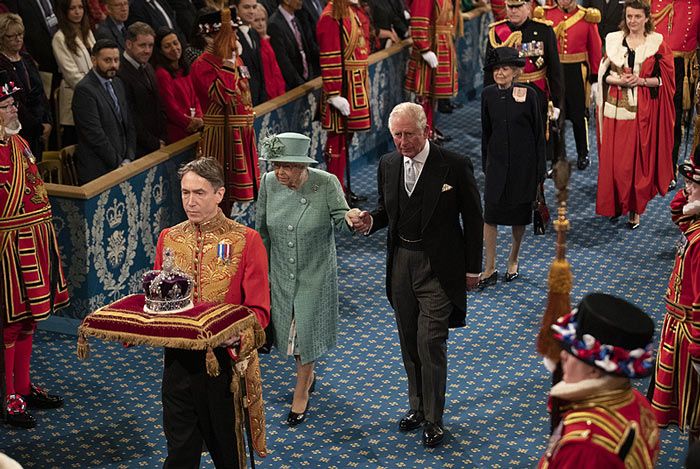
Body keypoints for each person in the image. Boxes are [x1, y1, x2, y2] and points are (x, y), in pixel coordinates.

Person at [349, 102, 483, 448]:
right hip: (400, 264)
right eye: (397, 135)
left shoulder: (453, 165)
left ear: (425, 130)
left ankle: (434, 418)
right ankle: (418, 408)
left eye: (409, 134)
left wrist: (472, 268)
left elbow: (473, 218)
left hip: (438, 267)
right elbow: (385, 211)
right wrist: (370, 222)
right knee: (409, 341)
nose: (403, 142)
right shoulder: (388, 163)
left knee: (430, 342)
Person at [153, 157, 270, 467]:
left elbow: (259, 312)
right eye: (185, 193)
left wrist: (237, 336)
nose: (190, 202)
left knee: (228, 455)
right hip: (177, 363)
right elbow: (157, 298)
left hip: (224, 369)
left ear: (219, 194)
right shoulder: (169, 238)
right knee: (179, 454)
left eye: (199, 193)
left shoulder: (247, 240)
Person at [256, 132, 359, 426]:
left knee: (303, 337)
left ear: (302, 166)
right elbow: (261, 231)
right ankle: (307, 376)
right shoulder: (268, 184)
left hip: (315, 273)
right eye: (275, 164)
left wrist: (353, 219)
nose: (279, 172)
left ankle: (301, 389)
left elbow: (341, 219)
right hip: (280, 275)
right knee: (286, 335)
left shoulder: (326, 183)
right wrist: (262, 275)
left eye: (286, 166)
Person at [0, 73, 69, 429]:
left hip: (33, 240)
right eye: (8, 105)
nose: (14, 109)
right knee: (8, 326)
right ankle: (7, 396)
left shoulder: (20, 142)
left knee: (28, 320)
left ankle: (24, 388)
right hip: (6, 248)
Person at [539, 293, 659, 467]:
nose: (563, 355)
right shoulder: (637, 401)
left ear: (595, 369)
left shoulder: (585, 446)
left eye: (573, 353)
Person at [594, 0, 675, 229]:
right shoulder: (614, 40)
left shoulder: (657, 44)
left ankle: (633, 209)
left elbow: (664, 81)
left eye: (637, 17)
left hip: (641, 112)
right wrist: (619, 80)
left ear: (646, 18)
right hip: (614, 109)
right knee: (614, 162)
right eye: (629, 16)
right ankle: (615, 205)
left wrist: (639, 81)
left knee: (631, 164)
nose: (633, 21)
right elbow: (603, 75)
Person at [479, 47, 545, 289]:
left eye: (505, 68)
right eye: (496, 69)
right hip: (496, 164)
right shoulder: (487, 95)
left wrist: (539, 170)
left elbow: (539, 135)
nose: (500, 73)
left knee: (519, 215)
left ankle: (513, 260)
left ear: (516, 71)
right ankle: (489, 266)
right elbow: (486, 132)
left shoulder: (530, 95)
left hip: (523, 166)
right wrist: (487, 161)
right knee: (491, 215)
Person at [648, 147, 700, 443]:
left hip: (690, 334)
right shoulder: (694, 221)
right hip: (676, 328)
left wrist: (696, 352)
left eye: (694, 184)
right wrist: (694, 198)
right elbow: (676, 210)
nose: (687, 188)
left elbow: (699, 301)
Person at [191, 8, 260, 223]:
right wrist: (229, 65)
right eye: (230, 34)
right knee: (220, 192)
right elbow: (221, 96)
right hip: (220, 137)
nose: (235, 38)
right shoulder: (202, 64)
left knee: (234, 194)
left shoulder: (234, 58)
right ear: (212, 36)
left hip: (241, 131)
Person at [485, 0, 564, 170]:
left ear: (529, 7)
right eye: (510, 7)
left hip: (536, 93)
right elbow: (489, 72)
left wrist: (557, 103)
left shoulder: (544, 30)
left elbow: (555, 70)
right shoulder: (496, 32)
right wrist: (489, 101)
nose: (513, 11)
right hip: (505, 93)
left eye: (518, 6)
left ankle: (537, 187)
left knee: (536, 142)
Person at [316, 0, 371, 202]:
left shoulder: (349, 11)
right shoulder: (331, 16)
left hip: (355, 83)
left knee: (345, 140)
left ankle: (341, 187)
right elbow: (329, 55)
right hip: (342, 86)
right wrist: (333, 93)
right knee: (336, 139)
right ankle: (334, 190)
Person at [537, 0, 602, 170]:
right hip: (553, 71)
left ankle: (583, 152)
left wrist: (594, 78)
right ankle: (557, 156)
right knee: (554, 115)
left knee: (579, 115)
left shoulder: (587, 17)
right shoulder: (546, 14)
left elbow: (595, 48)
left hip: (577, 73)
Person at [650, 0, 700, 188]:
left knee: (673, 119)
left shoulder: (695, 4)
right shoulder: (650, 2)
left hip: (681, 70)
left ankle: (668, 169)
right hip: (652, 64)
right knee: (650, 118)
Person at [72, 39, 136, 184]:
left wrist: (129, 157)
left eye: (116, 60)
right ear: (94, 60)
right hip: (99, 171)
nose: (113, 65)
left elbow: (129, 123)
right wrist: (118, 163)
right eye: (107, 60)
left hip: (124, 164)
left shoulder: (118, 83)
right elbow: (94, 135)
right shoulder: (85, 90)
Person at [0, 14, 52, 160]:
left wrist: (47, 120)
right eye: (12, 36)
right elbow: (15, 102)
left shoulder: (27, 58)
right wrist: (38, 128)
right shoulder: (2, 66)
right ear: (2, 38)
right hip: (20, 128)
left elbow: (41, 92)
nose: (18, 39)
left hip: (39, 124)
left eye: (20, 34)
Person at [404, 0, 458, 140]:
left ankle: (430, 130)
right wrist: (424, 48)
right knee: (425, 94)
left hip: (440, 43)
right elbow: (418, 22)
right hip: (430, 46)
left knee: (432, 94)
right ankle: (423, 134)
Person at [118, 21, 166, 157]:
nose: (147, 50)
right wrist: (154, 143)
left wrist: (162, 138)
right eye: (142, 45)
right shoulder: (120, 73)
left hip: (157, 142)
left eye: (150, 45)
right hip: (139, 149)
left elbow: (158, 104)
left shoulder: (148, 66)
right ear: (128, 44)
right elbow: (131, 116)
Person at [52, 0, 96, 147]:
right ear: (65, 12)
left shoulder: (87, 30)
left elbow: (98, 58)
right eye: (72, 8)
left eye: (80, 7)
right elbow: (71, 74)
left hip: (94, 90)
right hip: (75, 94)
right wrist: (94, 88)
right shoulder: (59, 37)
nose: (78, 12)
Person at [152, 26, 203, 144]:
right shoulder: (162, 73)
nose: (174, 48)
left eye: (175, 43)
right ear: (160, 50)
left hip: (196, 127)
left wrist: (199, 118)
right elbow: (170, 107)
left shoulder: (185, 68)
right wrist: (189, 122)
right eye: (167, 46)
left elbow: (196, 97)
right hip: (179, 132)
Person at [269, 0, 320, 91]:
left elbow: (306, 51)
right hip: (293, 88)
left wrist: (309, 80)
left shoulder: (296, 18)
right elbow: (284, 62)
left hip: (307, 80)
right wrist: (301, 85)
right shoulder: (274, 24)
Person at [234, 0, 268, 106]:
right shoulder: (233, 36)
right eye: (246, 7)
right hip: (245, 100)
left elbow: (260, 68)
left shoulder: (254, 33)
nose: (251, 11)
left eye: (254, 7)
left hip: (260, 97)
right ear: (236, 8)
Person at [251, 3, 286, 99]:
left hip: (279, 93)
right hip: (267, 97)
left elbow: (276, 69)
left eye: (263, 19)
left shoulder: (268, 41)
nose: (261, 23)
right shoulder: (253, 46)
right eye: (256, 20)